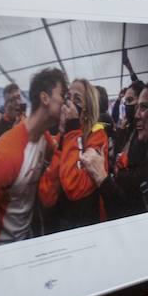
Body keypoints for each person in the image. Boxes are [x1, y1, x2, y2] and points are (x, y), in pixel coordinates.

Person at [0, 67, 66, 249]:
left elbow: (61, 163)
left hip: (28, 239)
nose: (66, 102)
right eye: (63, 95)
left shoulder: (43, 137)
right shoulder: (5, 155)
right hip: (2, 248)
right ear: (45, 98)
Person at [38, 78, 112, 233]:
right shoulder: (63, 136)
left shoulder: (97, 135)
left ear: (88, 108)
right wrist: (62, 142)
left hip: (87, 226)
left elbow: (75, 188)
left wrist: (72, 131)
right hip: (60, 224)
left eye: (77, 99)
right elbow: (47, 196)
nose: (69, 104)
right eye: (68, 98)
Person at [103, 81, 148, 219]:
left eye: (142, 107)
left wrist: (113, 176)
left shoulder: (145, 142)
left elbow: (135, 187)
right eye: (125, 102)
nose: (136, 114)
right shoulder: (128, 130)